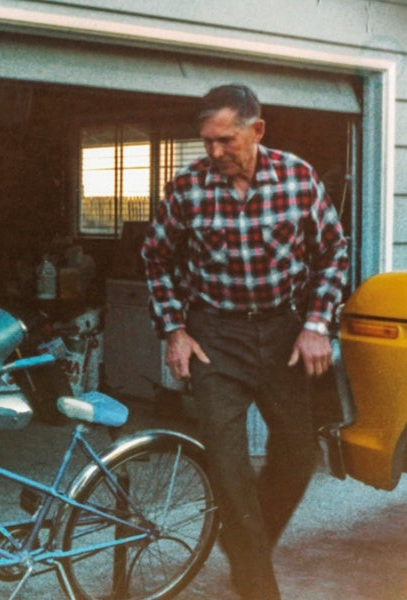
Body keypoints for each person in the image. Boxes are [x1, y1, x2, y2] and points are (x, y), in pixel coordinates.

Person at [141, 84, 348, 600]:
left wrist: (317, 323)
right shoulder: (188, 187)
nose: (214, 153)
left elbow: (334, 255)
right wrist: (175, 329)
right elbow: (155, 260)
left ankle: (242, 541)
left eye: (225, 141)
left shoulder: (298, 178)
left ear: (257, 131)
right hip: (215, 335)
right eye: (206, 142)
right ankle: (259, 585)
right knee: (229, 465)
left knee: (299, 456)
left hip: (283, 332)